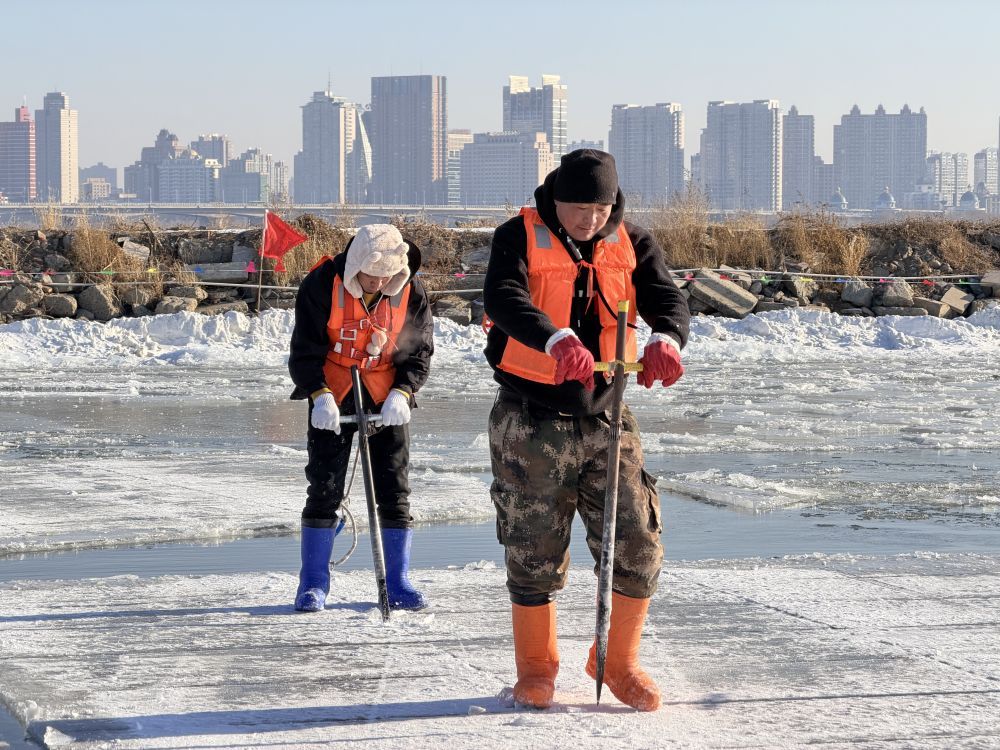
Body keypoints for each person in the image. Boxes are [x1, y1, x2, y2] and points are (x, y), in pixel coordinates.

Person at [483, 149, 690, 711]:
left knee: (637, 540)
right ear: (556, 198)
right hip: (531, 417)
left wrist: (667, 338)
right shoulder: (517, 235)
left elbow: (667, 297)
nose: (589, 220)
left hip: (608, 415)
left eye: (599, 210)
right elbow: (503, 298)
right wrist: (553, 338)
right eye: (578, 208)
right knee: (533, 547)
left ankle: (616, 661)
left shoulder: (633, 240)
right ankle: (536, 668)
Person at [288, 223, 434, 612]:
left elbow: (419, 352)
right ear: (355, 265)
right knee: (325, 485)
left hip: (387, 391)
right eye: (372, 273)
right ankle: (314, 582)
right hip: (334, 386)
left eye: (388, 274)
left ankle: (398, 581)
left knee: (394, 487)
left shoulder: (411, 290)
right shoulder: (321, 285)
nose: (379, 282)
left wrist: (404, 392)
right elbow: (304, 349)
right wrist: (319, 397)